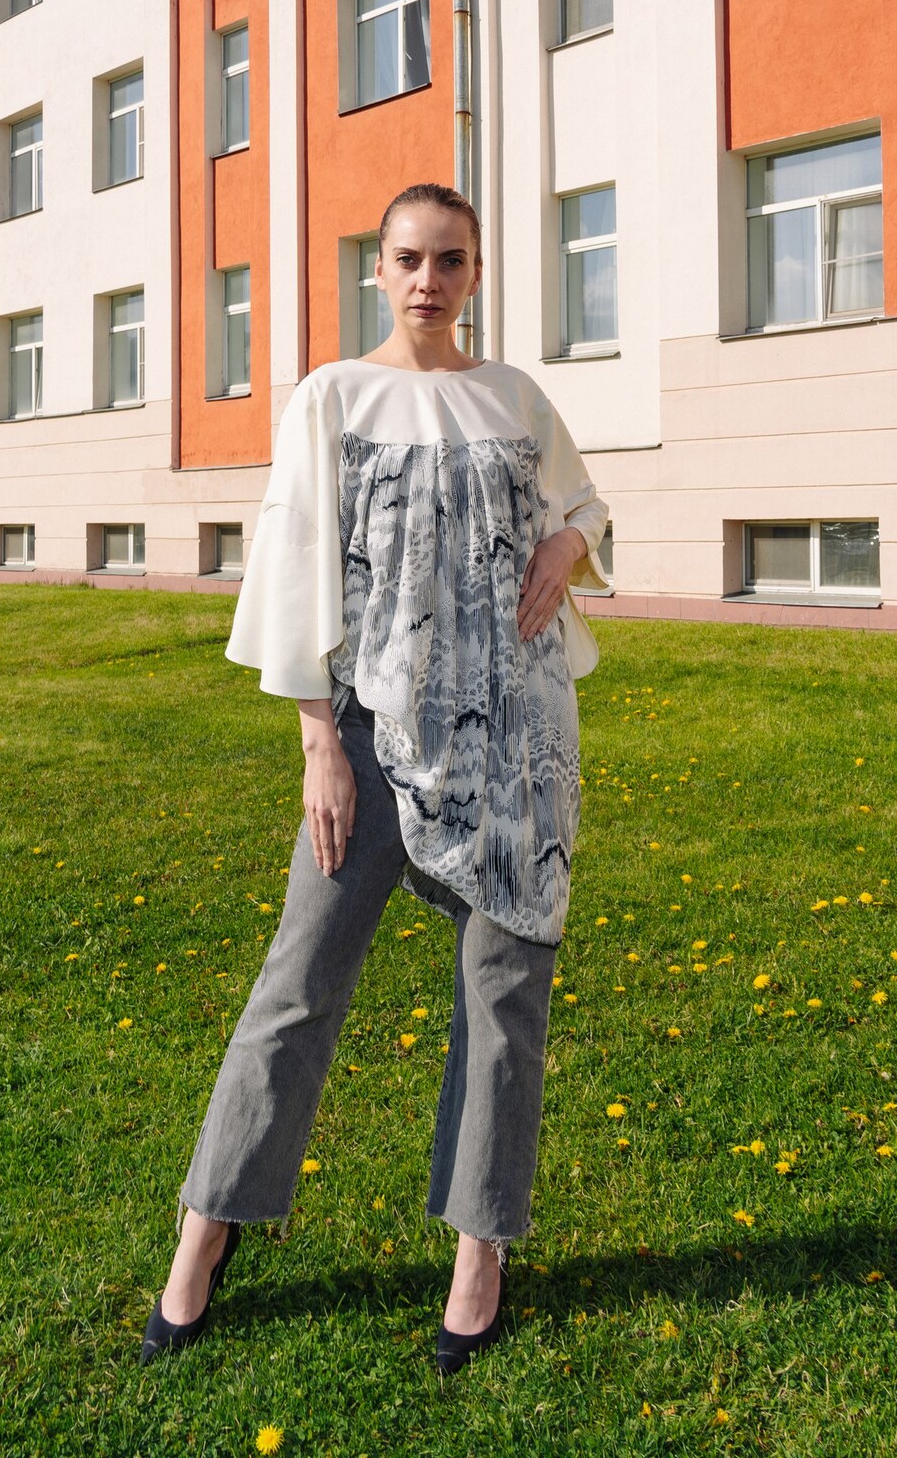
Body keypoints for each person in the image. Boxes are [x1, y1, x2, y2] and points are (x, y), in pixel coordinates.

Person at [141, 183, 611, 1373]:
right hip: (371, 734)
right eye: (408, 258)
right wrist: (318, 744)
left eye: (449, 260)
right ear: (379, 268)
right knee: (296, 984)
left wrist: (567, 539)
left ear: (475, 272)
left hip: (517, 744)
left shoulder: (514, 396)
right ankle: (206, 1231)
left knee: (503, 999)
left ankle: (477, 1255)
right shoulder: (332, 398)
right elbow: (295, 565)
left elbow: (580, 501)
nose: (427, 281)